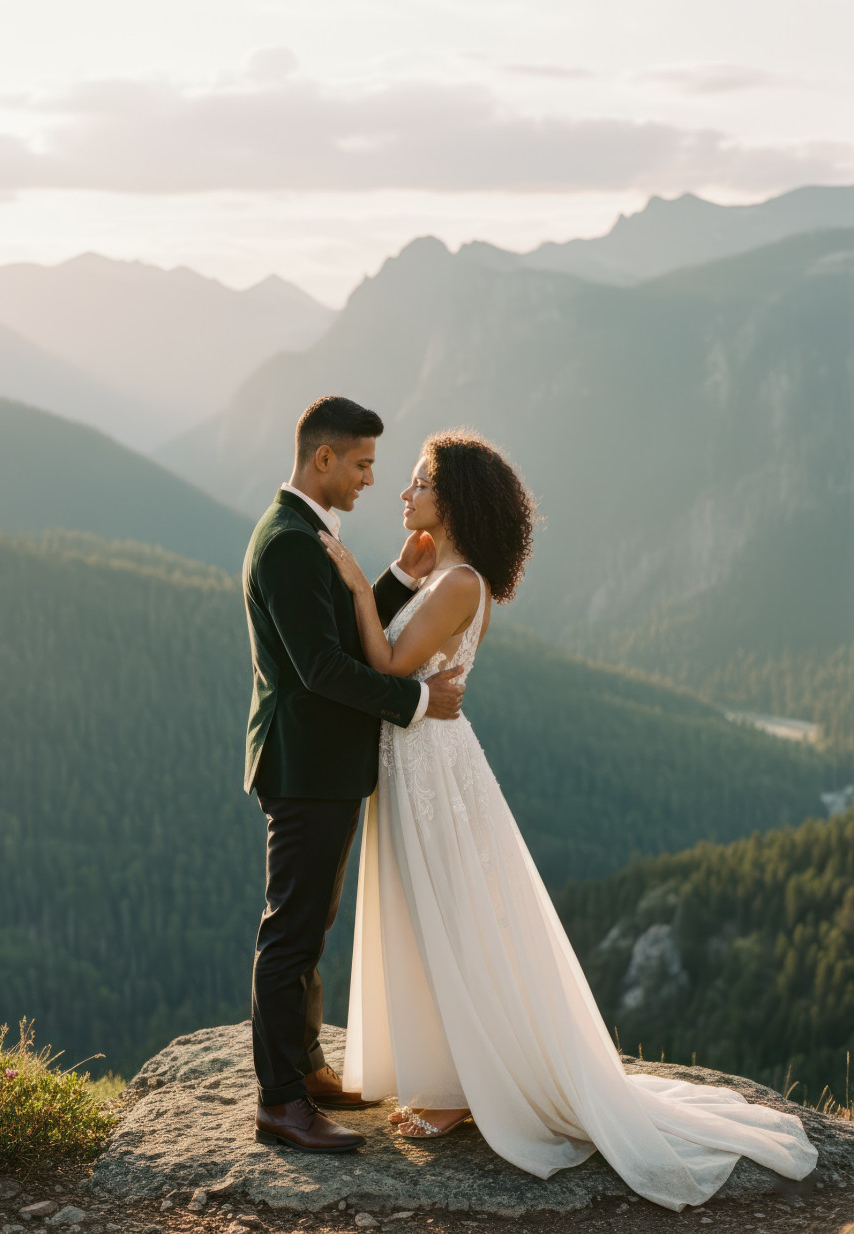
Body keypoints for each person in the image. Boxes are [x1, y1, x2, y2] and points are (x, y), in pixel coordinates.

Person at [323, 428, 818, 1210]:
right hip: (418, 760)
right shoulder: (447, 577)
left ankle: (460, 1088)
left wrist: (358, 585)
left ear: (453, 498)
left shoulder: (459, 583)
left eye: (419, 481)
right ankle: (446, 1075)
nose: (404, 492)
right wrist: (396, 576)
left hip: (430, 769)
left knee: (449, 917)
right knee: (431, 916)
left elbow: (385, 663)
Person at [242, 395, 466, 1154]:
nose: (372, 479)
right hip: (305, 765)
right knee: (291, 932)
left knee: (310, 925)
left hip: (323, 766)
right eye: (363, 464)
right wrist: (417, 702)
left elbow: (337, 630)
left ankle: (304, 1069)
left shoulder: (304, 532)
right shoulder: (288, 543)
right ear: (323, 458)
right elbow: (321, 667)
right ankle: (280, 1102)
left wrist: (396, 578)